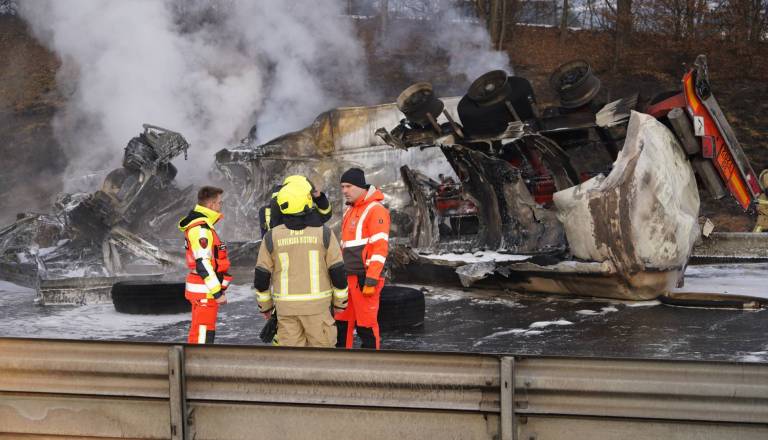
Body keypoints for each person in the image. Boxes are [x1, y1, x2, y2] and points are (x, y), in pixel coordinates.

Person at [253, 181, 348, 347]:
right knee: (321, 360)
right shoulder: (324, 233)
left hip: (286, 311)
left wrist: (265, 308)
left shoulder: (271, 237)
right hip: (318, 310)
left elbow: (261, 278)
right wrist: (340, 304)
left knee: (292, 362)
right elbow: (338, 272)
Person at [335, 168, 390, 349]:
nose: (344, 190)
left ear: (360, 186)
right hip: (347, 278)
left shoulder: (376, 210)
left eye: (348, 186)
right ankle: (342, 366)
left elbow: (380, 248)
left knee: (366, 326)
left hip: (364, 279)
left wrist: (372, 279)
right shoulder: (349, 211)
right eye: (342, 186)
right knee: (341, 324)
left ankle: (370, 369)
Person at [178, 186, 232, 344]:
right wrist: (217, 293)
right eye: (219, 203)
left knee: (199, 332)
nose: (221, 206)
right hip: (205, 292)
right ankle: (198, 366)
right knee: (203, 334)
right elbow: (203, 263)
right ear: (211, 205)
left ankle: (194, 365)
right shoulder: (201, 229)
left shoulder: (202, 226)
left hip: (203, 291)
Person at [267, 175, 333, 230]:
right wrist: (319, 198)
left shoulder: (280, 223)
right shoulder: (312, 219)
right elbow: (326, 214)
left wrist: (276, 201)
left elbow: (272, 225)